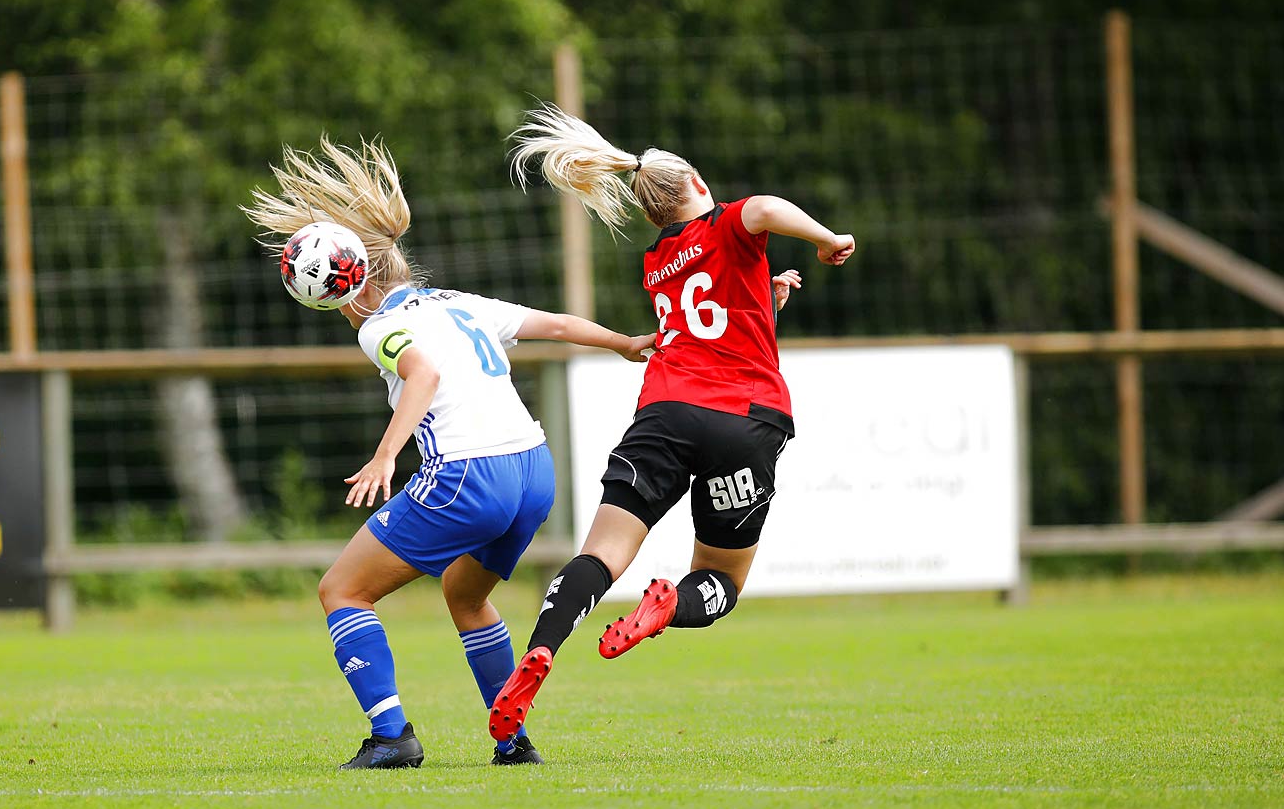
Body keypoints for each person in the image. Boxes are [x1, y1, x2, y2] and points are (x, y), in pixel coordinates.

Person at [242, 137, 655, 769]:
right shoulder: (457, 303)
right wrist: (623, 343)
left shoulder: (379, 326)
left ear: (338, 291)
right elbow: (563, 326)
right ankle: (512, 739)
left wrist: (385, 455)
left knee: (342, 590)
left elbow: (423, 375)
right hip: (532, 471)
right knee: (466, 594)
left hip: (470, 476)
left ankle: (392, 737)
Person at [489, 105, 854, 743]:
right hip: (744, 420)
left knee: (599, 554)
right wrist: (828, 239)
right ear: (699, 187)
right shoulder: (728, 222)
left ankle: (540, 653)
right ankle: (666, 607)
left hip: (664, 414)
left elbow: (709, 317)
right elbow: (764, 207)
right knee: (721, 580)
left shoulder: (658, 261)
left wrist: (767, 298)